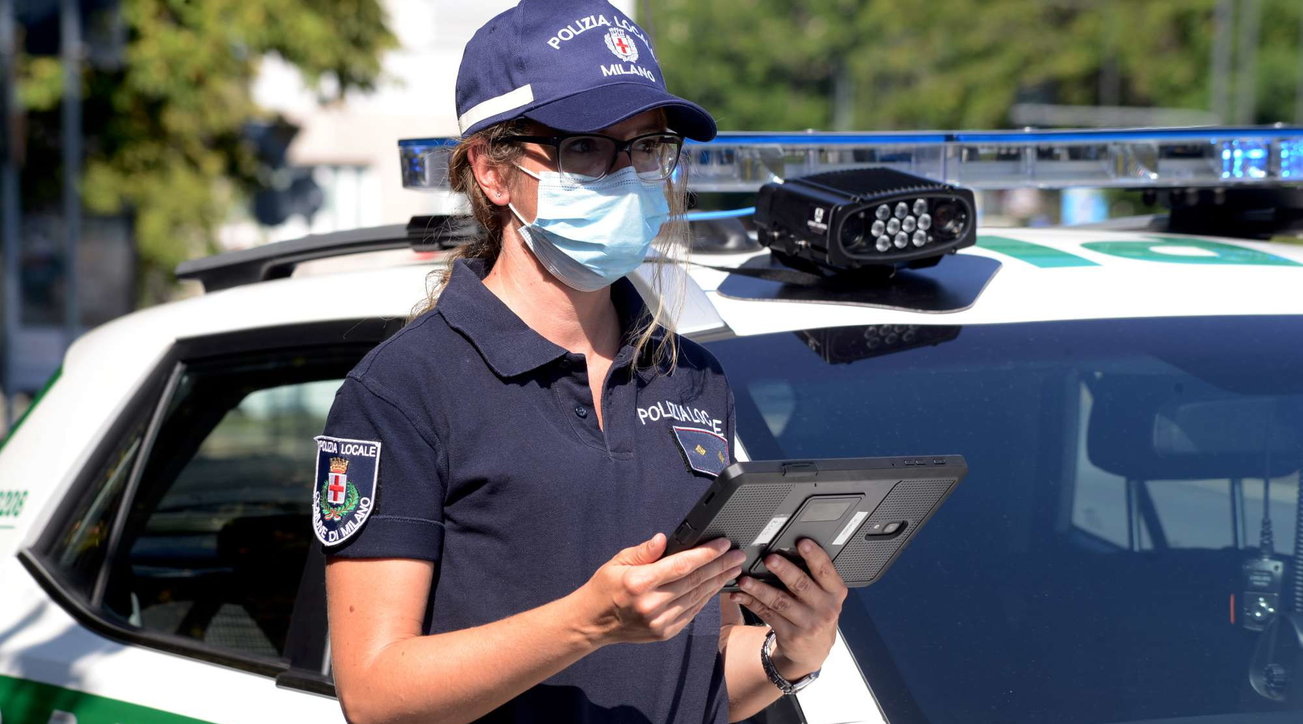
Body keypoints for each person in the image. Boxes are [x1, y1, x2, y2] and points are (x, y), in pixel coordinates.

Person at [313, 1, 846, 721]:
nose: (627, 175)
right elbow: (375, 692)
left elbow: (699, 676)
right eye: (587, 148)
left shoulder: (691, 376)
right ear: (491, 172)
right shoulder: (403, 389)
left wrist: (794, 653)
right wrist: (587, 623)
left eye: (647, 147)